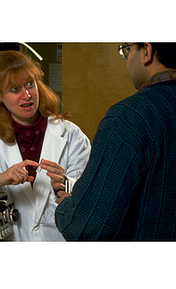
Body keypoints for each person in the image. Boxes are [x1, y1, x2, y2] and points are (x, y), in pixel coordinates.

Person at [0, 50, 91, 241]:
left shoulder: (71, 135)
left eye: (30, 84)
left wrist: (64, 184)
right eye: (15, 89)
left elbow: (90, 193)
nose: (27, 95)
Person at [55, 42, 176, 241]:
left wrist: (68, 206)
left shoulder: (130, 117)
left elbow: (88, 227)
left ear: (146, 50)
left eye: (127, 50)